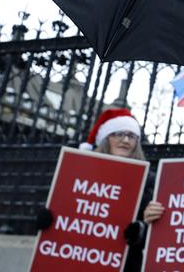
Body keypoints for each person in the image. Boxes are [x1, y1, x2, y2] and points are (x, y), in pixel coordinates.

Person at [37, 108, 162, 272]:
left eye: (131, 136)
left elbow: (155, 233)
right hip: (77, 258)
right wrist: (46, 219)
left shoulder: (148, 179)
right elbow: (62, 210)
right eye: (118, 134)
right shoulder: (79, 171)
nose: (125, 140)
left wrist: (141, 229)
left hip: (124, 263)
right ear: (105, 139)